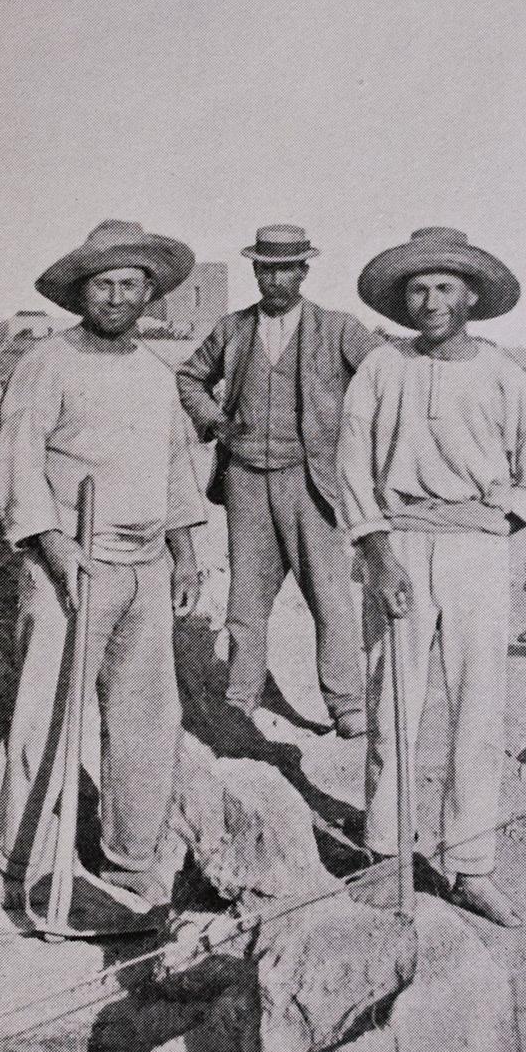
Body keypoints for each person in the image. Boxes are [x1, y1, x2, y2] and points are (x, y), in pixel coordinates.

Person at [337, 228, 526, 927]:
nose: (430, 300)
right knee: (391, 703)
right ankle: (384, 853)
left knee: (477, 705)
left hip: (475, 549)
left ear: (469, 296)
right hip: (398, 544)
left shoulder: (502, 372)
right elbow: (350, 462)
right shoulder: (382, 367)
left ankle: (469, 866)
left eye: (443, 288)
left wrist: (507, 522)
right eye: (417, 289)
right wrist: (378, 555)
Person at [0, 220, 206, 913]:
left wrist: (187, 553)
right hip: (71, 563)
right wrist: (53, 548)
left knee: (145, 718)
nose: (116, 297)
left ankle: (130, 859)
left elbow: (173, 465)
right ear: (82, 291)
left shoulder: (153, 373)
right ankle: (19, 864)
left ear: (150, 293)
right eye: (103, 284)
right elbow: (17, 458)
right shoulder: (47, 363)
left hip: (145, 566)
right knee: (46, 716)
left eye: (130, 285)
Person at [177, 224, 377, 737]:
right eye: (266, 268)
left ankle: (348, 705)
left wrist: (358, 440)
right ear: (255, 270)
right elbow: (189, 377)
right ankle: (239, 701)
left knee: (329, 597)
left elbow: (385, 379)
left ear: (304, 270)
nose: (275, 278)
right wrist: (215, 421)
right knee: (246, 601)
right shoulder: (233, 328)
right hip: (245, 479)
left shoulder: (337, 328)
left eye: (286, 268)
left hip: (313, 483)